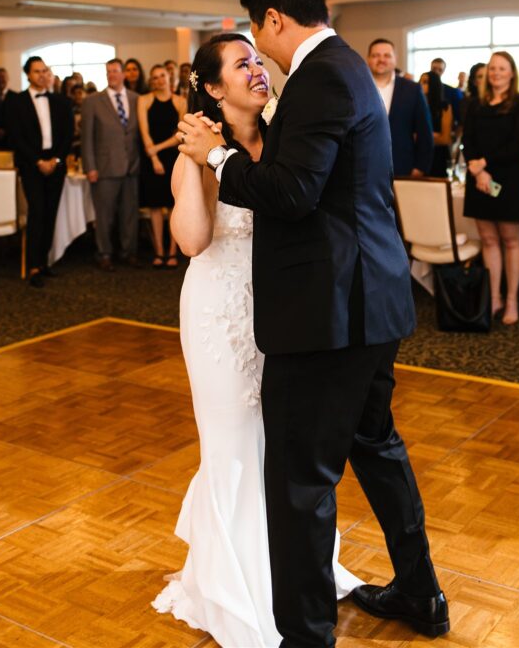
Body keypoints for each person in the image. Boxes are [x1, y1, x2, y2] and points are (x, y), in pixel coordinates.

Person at [178, 0, 448, 645]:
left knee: (301, 480)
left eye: (255, 40)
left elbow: (294, 194)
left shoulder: (321, 74)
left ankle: (305, 636)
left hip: (328, 314)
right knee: (375, 447)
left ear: (273, 19)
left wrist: (216, 160)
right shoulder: (344, 67)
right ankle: (420, 592)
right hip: (367, 302)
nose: (257, 57)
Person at [153, 33, 359, 646]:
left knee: (281, 446)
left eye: (258, 60)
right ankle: (232, 584)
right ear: (213, 87)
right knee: (234, 444)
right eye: (241, 64)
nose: (258, 70)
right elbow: (191, 241)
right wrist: (196, 158)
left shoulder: (284, 138)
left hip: (284, 311)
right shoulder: (196, 148)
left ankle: (287, 576)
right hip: (219, 313)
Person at [462, 51, 519, 325]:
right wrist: (476, 166)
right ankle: (494, 297)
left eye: (502, 68)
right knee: (488, 240)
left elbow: (517, 145)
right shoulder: (474, 104)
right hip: (479, 179)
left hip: (511, 178)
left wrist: (484, 164)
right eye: (492, 68)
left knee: (510, 239)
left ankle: (512, 299)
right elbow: (467, 139)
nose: (496, 73)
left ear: (512, 73)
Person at [6, 56, 73, 288]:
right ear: (28, 75)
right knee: (37, 212)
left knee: (51, 213)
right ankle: (33, 265)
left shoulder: (61, 102)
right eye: (37, 71)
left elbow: (68, 136)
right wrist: (37, 161)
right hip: (31, 166)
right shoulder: (16, 102)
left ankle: (44, 261)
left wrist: (55, 160)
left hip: (56, 165)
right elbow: (16, 137)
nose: (42, 75)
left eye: (45, 70)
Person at [81, 59, 141, 271]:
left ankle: (128, 252)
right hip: (104, 168)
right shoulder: (92, 101)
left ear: (124, 74)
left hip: (132, 166)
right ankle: (104, 253)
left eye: (115, 71)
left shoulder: (136, 99)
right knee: (104, 215)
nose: (111, 75)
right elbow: (86, 138)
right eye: (108, 72)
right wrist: (90, 167)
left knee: (129, 214)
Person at [137, 65, 186, 268]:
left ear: (169, 77)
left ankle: (173, 251)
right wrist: (154, 157)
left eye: (162, 76)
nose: (158, 80)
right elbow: (144, 130)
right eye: (154, 77)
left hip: (173, 157)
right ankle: (159, 250)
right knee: (155, 207)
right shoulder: (144, 100)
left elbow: (179, 133)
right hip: (151, 159)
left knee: (175, 205)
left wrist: (157, 149)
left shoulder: (180, 101)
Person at [367, 39, 433, 176]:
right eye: (376, 55)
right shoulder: (356, 87)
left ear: (395, 59)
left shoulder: (412, 89)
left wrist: (420, 167)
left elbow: (424, 132)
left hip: (402, 168)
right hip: (364, 169)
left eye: (387, 55)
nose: (381, 60)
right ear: (368, 59)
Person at [420, 71, 453, 178]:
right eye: (420, 81)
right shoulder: (415, 105)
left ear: (433, 84)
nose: (420, 85)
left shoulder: (444, 107)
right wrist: (433, 135)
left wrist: (422, 136)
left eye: (425, 82)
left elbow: (445, 139)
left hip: (438, 156)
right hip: (419, 156)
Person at [431, 56, 463, 126]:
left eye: (440, 70)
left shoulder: (452, 91)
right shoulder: (421, 90)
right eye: (434, 69)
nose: (436, 72)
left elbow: (459, 117)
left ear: (443, 71)